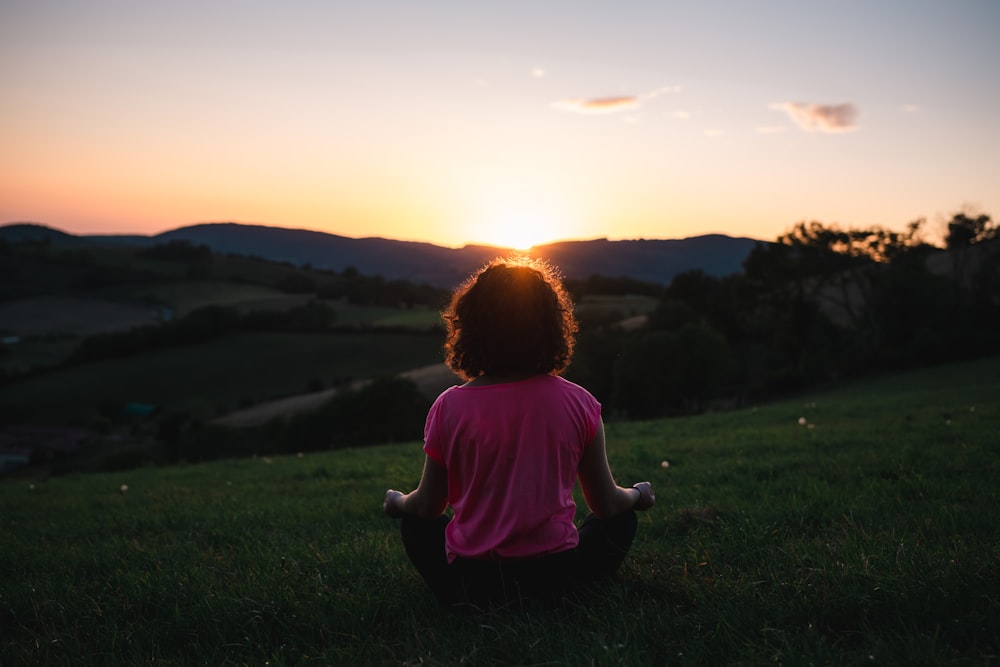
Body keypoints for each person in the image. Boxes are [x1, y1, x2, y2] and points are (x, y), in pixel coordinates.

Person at [383, 256, 654, 609]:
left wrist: (397, 501)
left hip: (472, 584)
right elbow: (606, 505)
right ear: (551, 327)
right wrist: (637, 494)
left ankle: (460, 597)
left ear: (471, 327)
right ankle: (572, 593)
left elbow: (428, 507)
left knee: (415, 524)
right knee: (620, 521)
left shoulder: (448, 406)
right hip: (558, 581)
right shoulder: (579, 402)